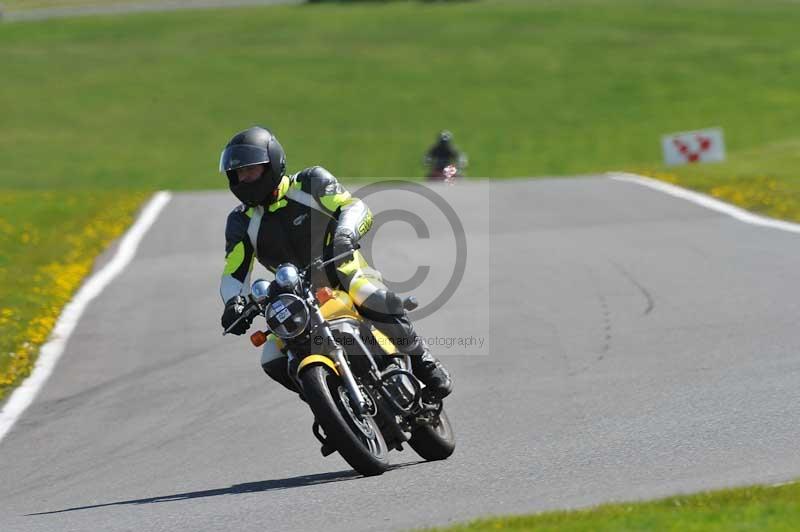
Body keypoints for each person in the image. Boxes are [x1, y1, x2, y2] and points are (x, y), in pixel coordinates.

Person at [219, 126, 453, 399]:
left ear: (272, 162)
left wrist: (345, 233)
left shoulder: (309, 182)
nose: (245, 179)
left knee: (371, 296)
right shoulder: (240, 221)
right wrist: (233, 302)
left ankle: (424, 361)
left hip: (342, 269)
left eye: (252, 170)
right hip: (295, 296)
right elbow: (233, 272)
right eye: (239, 173)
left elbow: (354, 207)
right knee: (271, 356)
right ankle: (327, 401)